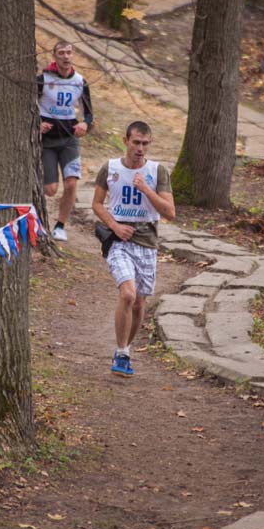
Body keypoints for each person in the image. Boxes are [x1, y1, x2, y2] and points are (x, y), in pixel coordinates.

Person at [92, 121, 176, 377]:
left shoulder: (157, 171)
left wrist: (146, 189)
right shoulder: (110, 168)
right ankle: (122, 353)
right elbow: (97, 204)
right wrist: (114, 226)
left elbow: (170, 212)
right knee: (128, 295)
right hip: (118, 241)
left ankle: (125, 349)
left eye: (145, 143)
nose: (140, 148)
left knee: (139, 303)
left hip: (147, 241)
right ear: (126, 141)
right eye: (136, 142)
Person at [38, 40, 93, 241]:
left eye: (69, 52)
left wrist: (85, 124)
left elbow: (89, 114)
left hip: (69, 139)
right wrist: (37, 124)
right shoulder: (42, 79)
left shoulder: (80, 82)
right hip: (47, 141)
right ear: (54, 56)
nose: (66, 56)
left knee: (71, 183)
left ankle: (60, 226)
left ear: (73, 55)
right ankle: (37, 218)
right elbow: (27, 107)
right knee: (50, 190)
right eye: (61, 53)